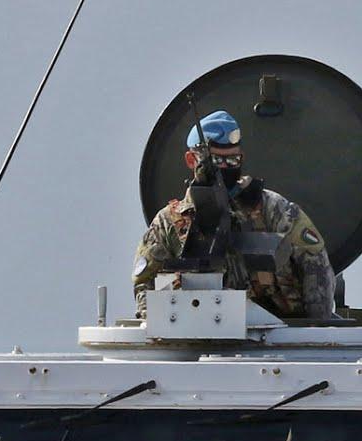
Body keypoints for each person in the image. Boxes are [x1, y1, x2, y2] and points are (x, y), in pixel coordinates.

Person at [133, 110, 336, 322]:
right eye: (217, 161)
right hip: (199, 337)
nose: (226, 168)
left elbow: (316, 267)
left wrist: (314, 331)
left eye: (233, 160)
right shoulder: (168, 223)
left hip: (278, 335)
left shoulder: (275, 210)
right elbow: (145, 283)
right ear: (191, 160)